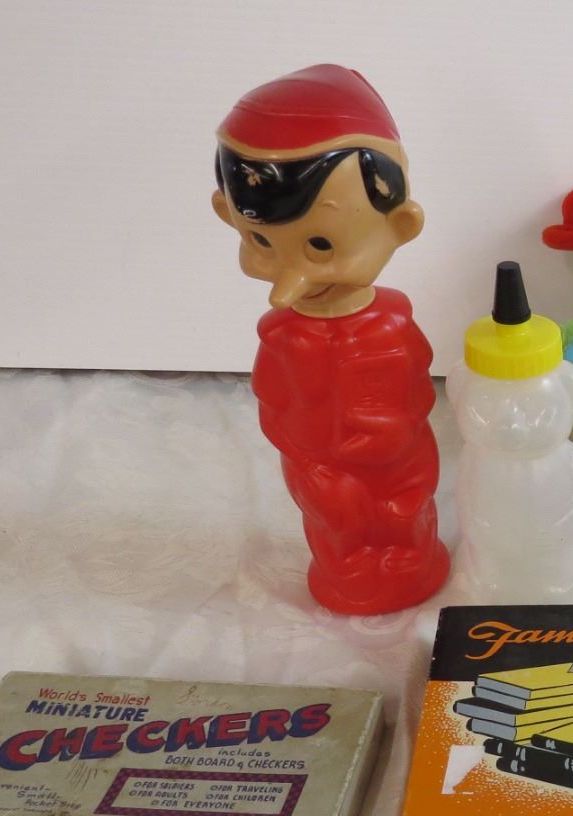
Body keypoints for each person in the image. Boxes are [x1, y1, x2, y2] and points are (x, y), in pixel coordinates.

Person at [211, 65, 447, 614]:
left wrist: (386, 436)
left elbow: (417, 396)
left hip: (397, 465)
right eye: (261, 243)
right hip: (321, 471)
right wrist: (304, 453)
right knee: (337, 528)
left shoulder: (393, 326)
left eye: (320, 246)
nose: (288, 282)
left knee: (403, 517)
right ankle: (348, 570)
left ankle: (410, 562)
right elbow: (272, 401)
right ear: (227, 214)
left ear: (402, 225)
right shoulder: (280, 336)